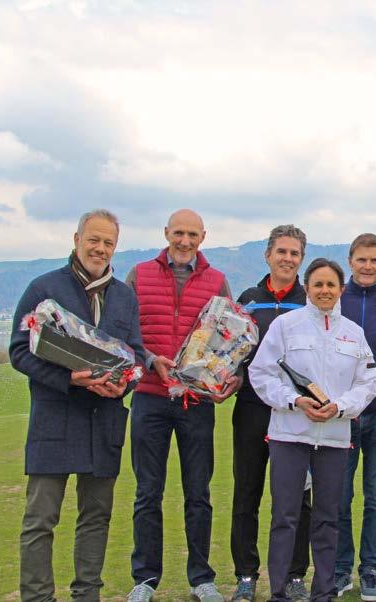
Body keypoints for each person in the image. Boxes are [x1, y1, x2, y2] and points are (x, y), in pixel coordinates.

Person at [10, 209, 145, 602]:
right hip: (54, 418)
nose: (100, 248)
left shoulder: (124, 297)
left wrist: (121, 385)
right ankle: (38, 596)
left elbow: (136, 356)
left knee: (96, 518)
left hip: (104, 422)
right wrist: (69, 379)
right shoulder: (43, 289)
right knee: (40, 519)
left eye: (108, 243)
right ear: (77, 240)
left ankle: (87, 594)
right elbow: (20, 351)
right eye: (94, 240)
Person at [249, 258, 376, 602]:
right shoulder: (285, 326)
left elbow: (368, 382)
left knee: (327, 519)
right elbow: (261, 373)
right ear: (307, 288)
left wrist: (340, 406)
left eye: (331, 285)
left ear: (341, 289)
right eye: (318, 284)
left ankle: (324, 592)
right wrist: (294, 401)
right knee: (285, 517)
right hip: (289, 436)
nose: (324, 290)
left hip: (334, 438)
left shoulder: (353, 333)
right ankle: (279, 593)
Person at [125, 209, 237, 602]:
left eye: (192, 234)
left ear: (203, 236)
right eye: (178, 233)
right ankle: (145, 579)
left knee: (198, 493)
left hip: (196, 401)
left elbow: (229, 337)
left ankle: (201, 578)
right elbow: (126, 332)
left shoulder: (217, 280)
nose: (184, 241)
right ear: (166, 233)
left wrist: (226, 377)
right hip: (150, 397)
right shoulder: (139, 275)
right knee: (147, 492)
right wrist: (149, 358)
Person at [231, 224, 313, 602]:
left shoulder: (310, 301)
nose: (287, 258)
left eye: (294, 253)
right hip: (252, 409)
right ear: (268, 255)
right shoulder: (248, 300)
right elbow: (232, 350)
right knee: (247, 493)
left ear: (301, 259)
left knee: (296, 498)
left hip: (296, 413)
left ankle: (294, 576)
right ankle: (246, 575)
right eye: (282, 251)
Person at [334, 234, 376, 601]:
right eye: (361, 259)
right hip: (341, 415)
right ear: (350, 261)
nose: (367, 266)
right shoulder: (335, 298)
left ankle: (370, 568)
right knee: (340, 496)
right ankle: (341, 569)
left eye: (374, 260)